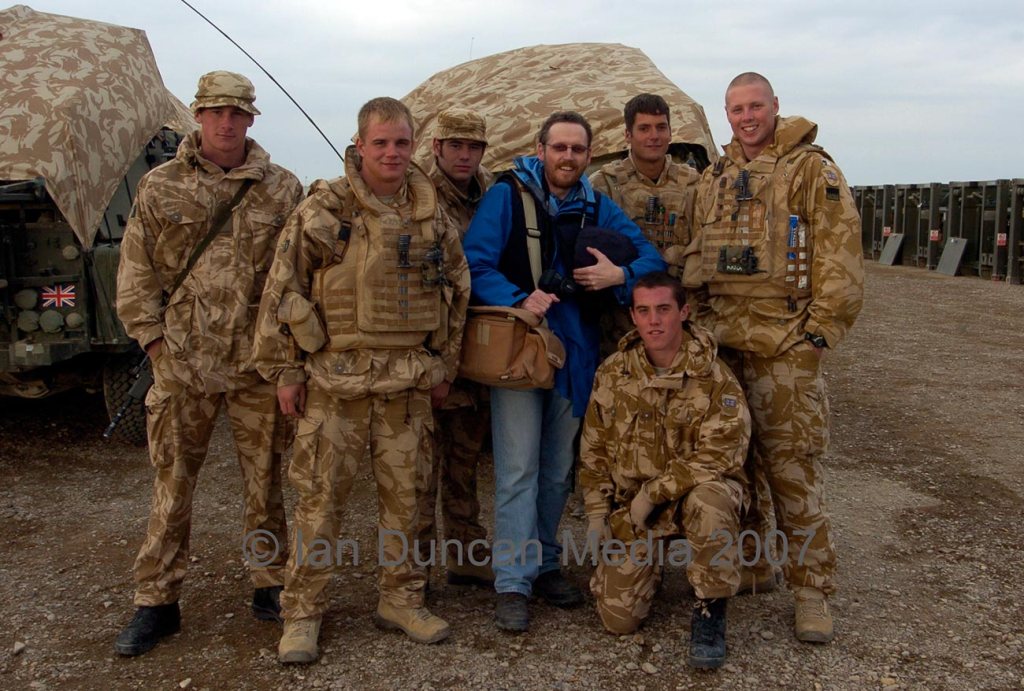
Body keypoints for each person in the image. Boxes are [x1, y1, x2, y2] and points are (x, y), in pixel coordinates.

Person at [250, 97, 470, 663]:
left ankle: (401, 599)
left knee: (408, 504)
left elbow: (456, 291)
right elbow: (282, 289)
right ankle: (302, 614)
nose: (392, 153)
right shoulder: (325, 209)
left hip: (406, 388)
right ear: (360, 145)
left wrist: (443, 366)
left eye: (401, 142)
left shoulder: (431, 216)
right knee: (319, 505)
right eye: (381, 143)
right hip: (335, 386)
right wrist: (286, 371)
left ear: (413, 145)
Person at [113, 70, 303, 656]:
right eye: (216, 111)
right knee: (172, 486)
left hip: (255, 365)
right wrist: (155, 346)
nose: (226, 122)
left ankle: (270, 584)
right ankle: (157, 601)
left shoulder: (282, 188)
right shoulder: (160, 186)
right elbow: (135, 272)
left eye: (237, 112)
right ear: (197, 116)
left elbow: (298, 276)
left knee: (266, 483)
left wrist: (287, 359)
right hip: (183, 364)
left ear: (251, 118)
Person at [462, 110, 665, 632]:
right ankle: (513, 580)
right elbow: (474, 263)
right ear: (541, 148)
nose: (568, 157)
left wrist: (619, 274)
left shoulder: (597, 207)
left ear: (589, 155)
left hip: (574, 357)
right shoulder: (506, 197)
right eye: (560, 147)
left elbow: (651, 259)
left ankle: (546, 562)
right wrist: (518, 298)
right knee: (517, 469)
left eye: (577, 149)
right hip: (519, 353)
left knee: (556, 471)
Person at [682, 72, 864, 643]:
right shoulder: (715, 177)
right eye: (737, 109)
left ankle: (812, 590)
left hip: (784, 347)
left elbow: (840, 255)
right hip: (725, 344)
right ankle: (756, 562)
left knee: (791, 470)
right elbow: (697, 256)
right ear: (727, 114)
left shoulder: (810, 170)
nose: (747, 117)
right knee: (734, 463)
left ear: (775, 106)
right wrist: (699, 320)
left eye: (755, 106)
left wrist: (817, 336)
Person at [579, 271, 750, 669]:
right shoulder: (614, 373)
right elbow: (594, 449)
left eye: (663, 309)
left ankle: (710, 610)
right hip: (637, 512)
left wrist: (653, 493)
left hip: (691, 498)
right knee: (618, 620)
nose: (653, 321)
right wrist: (597, 513)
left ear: (683, 313)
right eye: (643, 311)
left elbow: (721, 455)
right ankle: (649, 568)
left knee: (711, 500)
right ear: (632, 316)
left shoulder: (714, 376)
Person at [415, 108, 495, 587]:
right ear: (437, 147)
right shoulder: (416, 193)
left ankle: (466, 553)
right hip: (429, 347)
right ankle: (416, 570)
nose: (465, 156)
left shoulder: (491, 192)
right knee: (421, 470)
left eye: (473, 147)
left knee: (465, 463)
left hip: (477, 347)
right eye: (456, 146)